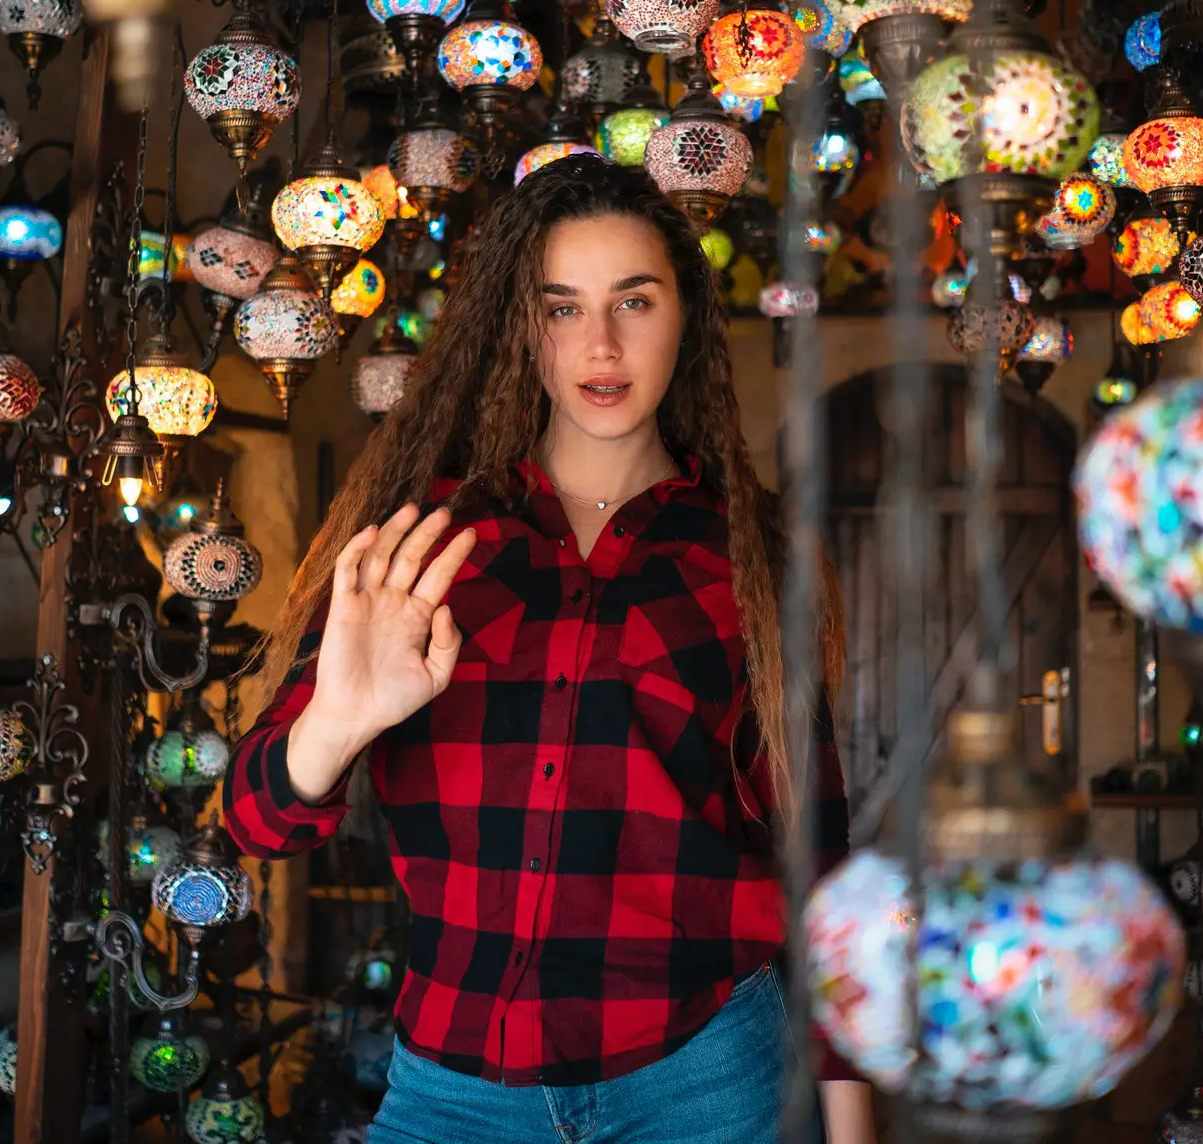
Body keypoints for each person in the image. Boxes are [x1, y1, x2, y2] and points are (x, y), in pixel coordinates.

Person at [224, 156, 874, 1143]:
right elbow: (256, 821)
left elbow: (820, 862)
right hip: (454, 1085)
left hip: (700, 1073)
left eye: (634, 301)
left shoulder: (748, 556)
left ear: (686, 318)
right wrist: (340, 718)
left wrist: (852, 1123)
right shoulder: (428, 543)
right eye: (561, 306)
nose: (600, 342)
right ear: (524, 326)